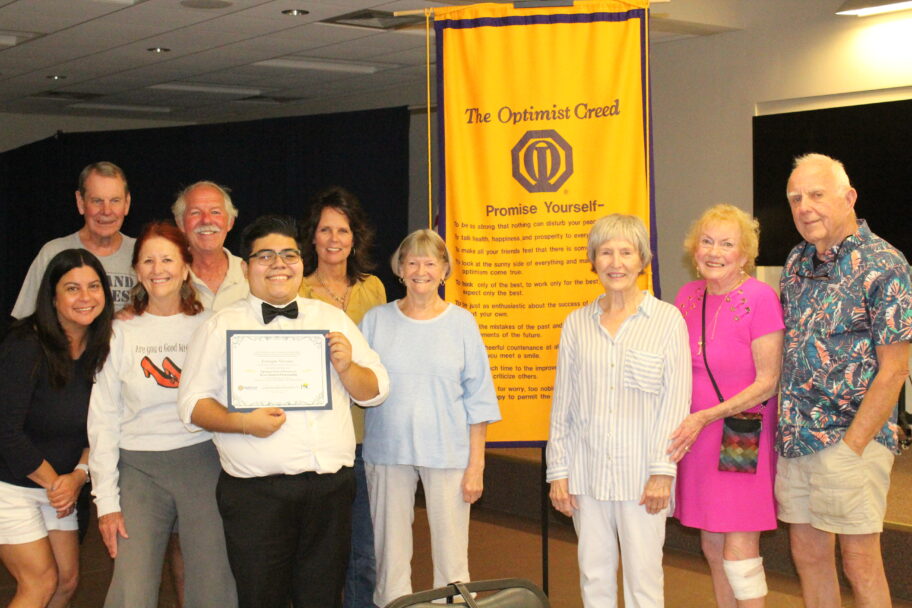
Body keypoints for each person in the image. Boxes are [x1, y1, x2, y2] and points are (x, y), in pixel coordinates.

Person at [176, 214, 389, 608]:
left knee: (323, 599)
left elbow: (376, 391)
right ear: (246, 267)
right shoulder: (219, 326)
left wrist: (347, 368)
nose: (279, 264)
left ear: (302, 263)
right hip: (258, 495)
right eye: (266, 256)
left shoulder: (331, 319)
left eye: (289, 254)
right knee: (261, 599)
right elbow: (192, 406)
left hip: (330, 491)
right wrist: (243, 423)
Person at [777, 153, 911, 607]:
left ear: (848, 197)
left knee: (860, 562)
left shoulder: (886, 264)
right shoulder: (795, 262)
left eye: (816, 195)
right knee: (808, 556)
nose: (805, 207)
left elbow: (894, 369)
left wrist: (853, 447)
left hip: (852, 439)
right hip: (796, 438)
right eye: (796, 198)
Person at [87, 222, 237, 608]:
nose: (158, 269)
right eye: (148, 260)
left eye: (168, 259)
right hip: (138, 469)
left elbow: (229, 401)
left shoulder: (210, 325)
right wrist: (106, 502)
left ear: (186, 266)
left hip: (202, 462)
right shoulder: (118, 332)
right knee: (131, 589)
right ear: (137, 270)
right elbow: (102, 416)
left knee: (214, 583)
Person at [546, 214, 690, 608]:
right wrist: (558, 472)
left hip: (643, 479)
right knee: (594, 577)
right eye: (606, 252)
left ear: (642, 260)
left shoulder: (667, 321)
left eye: (626, 252)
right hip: (586, 475)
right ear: (593, 260)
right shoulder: (577, 324)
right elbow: (564, 404)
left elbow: (675, 402)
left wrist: (663, 472)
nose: (616, 262)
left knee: (643, 582)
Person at [360, 229, 500, 608]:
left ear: (444, 270)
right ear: (400, 269)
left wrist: (477, 465)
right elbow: (357, 384)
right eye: (412, 261)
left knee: (453, 560)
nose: (421, 269)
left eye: (430, 262)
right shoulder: (375, 321)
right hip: (387, 452)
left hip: (449, 454)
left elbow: (479, 399)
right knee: (390, 559)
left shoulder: (462, 324)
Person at [668, 204, 784, 607]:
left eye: (727, 244)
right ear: (694, 248)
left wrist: (704, 417)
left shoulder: (761, 297)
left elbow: (768, 381)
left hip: (740, 432)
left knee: (740, 555)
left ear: (745, 254)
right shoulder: (686, 295)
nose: (715, 252)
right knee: (713, 548)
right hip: (696, 440)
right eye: (707, 241)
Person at [0, 249, 113, 607]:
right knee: (40, 582)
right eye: (72, 288)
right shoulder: (25, 344)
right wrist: (56, 484)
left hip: (61, 485)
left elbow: (105, 426)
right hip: (11, 485)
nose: (85, 297)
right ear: (52, 296)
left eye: (94, 286)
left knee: (67, 581)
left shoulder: (103, 347)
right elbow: (6, 431)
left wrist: (78, 476)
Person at [300, 186, 386, 608]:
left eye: (343, 230)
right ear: (312, 236)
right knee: (318, 554)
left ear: (356, 237)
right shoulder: (295, 291)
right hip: (315, 443)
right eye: (325, 229)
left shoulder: (374, 290)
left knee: (363, 556)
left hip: (367, 441)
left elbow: (383, 366)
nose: (334, 239)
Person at [13, 161, 136, 317]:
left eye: (115, 201)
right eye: (97, 201)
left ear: (127, 203)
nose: (106, 211)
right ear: (80, 202)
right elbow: (26, 325)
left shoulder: (145, 254)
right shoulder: (54, 253)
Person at [172, 181, 248, 310]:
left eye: (215, 212)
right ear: (180, 224)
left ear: (230, 222)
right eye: (195, 212)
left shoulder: (252, 275)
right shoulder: (167, 277)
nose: (206, 220)